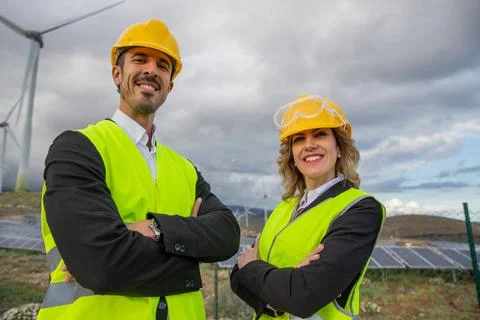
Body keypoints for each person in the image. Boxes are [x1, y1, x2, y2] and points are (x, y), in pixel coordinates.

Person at [37, 19, 240, 320]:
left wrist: (155, 229)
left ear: (170, 85)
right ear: (117, 74)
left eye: (162, 65)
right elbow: (101, 264)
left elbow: (227, 235)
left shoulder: (185, 169)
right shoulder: (78, 149)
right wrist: (191, 252)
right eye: (140, 59)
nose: (151, 70)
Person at [230, 94, 385, 319]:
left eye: (320, 134)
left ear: (340, 148)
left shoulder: (360, 210)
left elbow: (303, 296)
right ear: (292, 155)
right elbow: (237, 278)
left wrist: (253, 268)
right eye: (299, 139)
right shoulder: (284, 208)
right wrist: (284, 290)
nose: (309, 145)